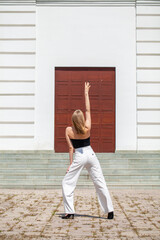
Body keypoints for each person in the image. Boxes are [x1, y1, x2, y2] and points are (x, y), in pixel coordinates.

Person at [62, 82, 114, 220]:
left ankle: (70, 212)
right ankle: (110, 211)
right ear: (82, 119)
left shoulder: (68, 130)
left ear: (73, 120)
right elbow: (88, 110)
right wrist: (86, 93)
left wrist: (70, 164)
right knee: (99, 181)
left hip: (79, 155)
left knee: (67, 182)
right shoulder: (87, 127)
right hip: (90, 154)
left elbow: (70, 148)